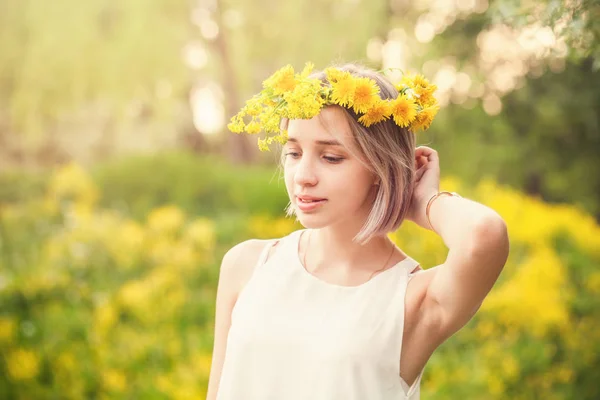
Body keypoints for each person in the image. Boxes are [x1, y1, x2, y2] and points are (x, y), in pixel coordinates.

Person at [207, 63, 510, 399]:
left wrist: (424, 201)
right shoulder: (247, 265)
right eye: (293, 152)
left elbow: (485, 235)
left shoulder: (412, 299)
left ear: (381, 166)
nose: (302, 175)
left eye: (332, 157)